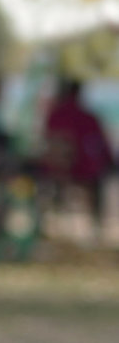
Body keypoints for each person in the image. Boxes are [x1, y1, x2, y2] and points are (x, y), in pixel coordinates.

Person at [41, 78, 115, 231]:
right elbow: (98, 144)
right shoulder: (86, 117)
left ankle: (55, 217)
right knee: (101, 176)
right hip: (79, 169)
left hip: (54, 169)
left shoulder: (53, 115)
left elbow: (48, 142)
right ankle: (97, 225)